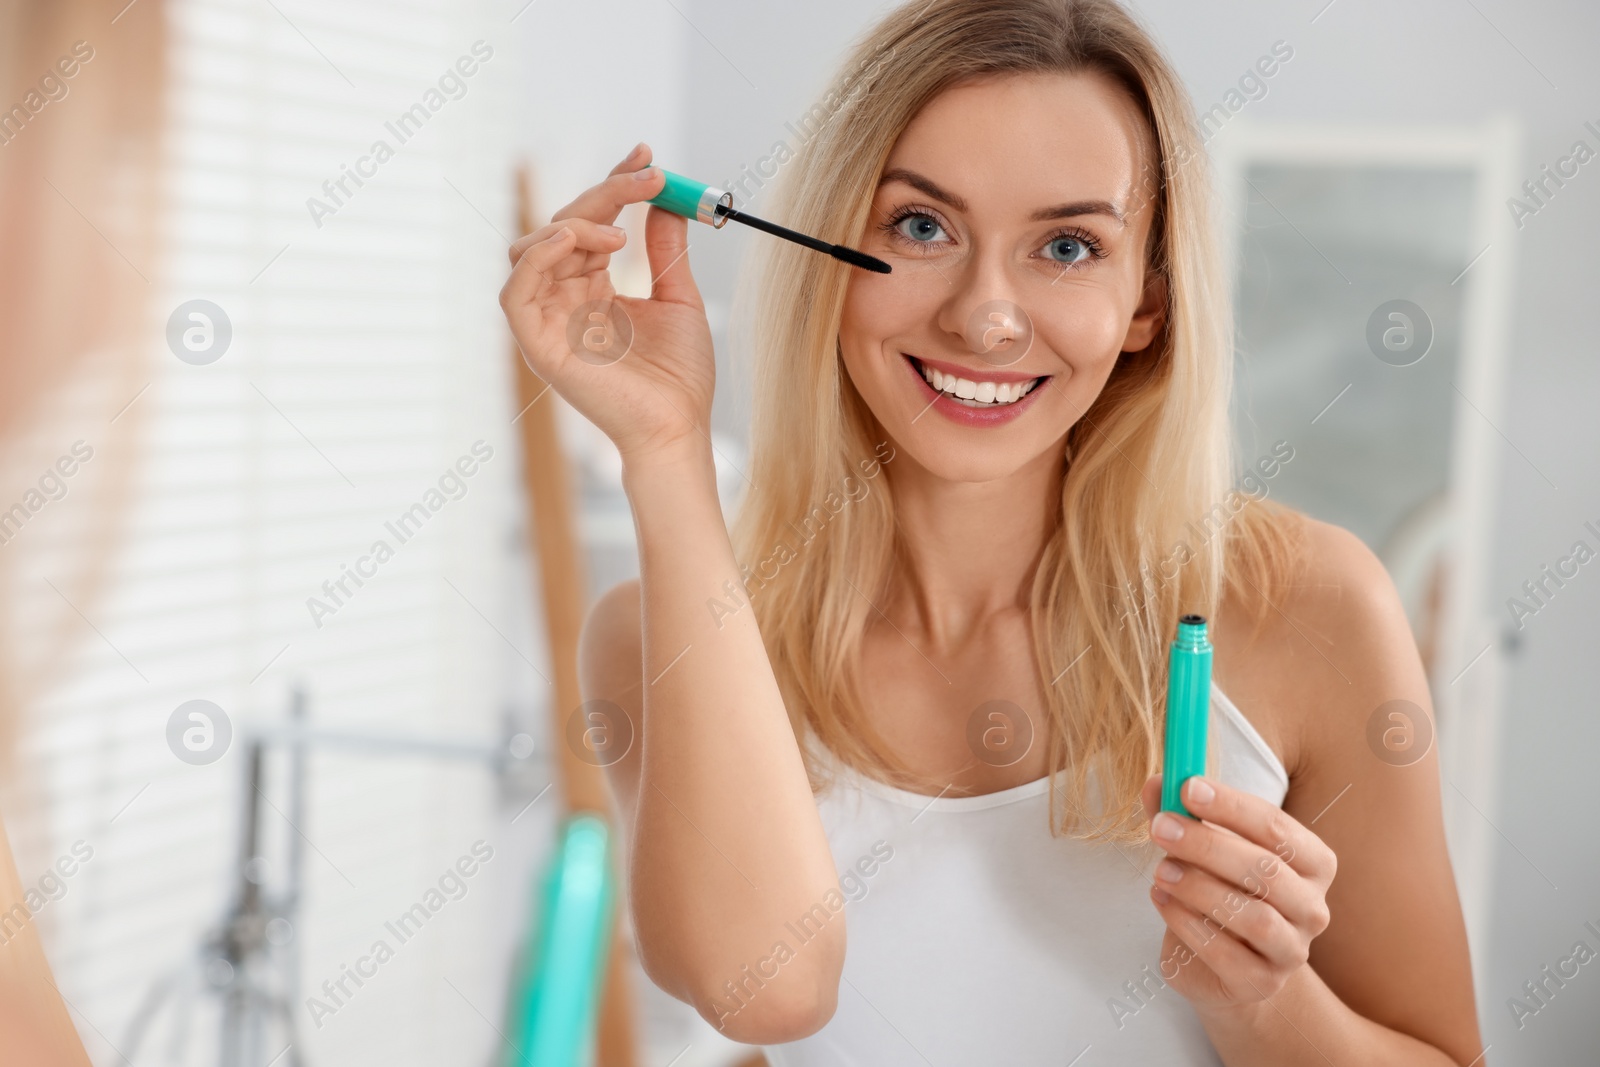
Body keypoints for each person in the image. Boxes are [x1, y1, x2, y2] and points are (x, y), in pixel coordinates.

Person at [499, 0, 1483, 1061]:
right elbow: (764, 991)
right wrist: (663, 449)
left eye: (1066, 245)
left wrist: (1263, 1000)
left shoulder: (1309, 608)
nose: (986, 317)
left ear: (1144, 304)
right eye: (921, 226)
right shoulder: (648, 641)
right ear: (830, 250)